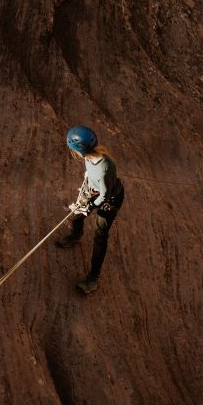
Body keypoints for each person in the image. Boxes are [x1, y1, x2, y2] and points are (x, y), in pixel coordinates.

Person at [55, 125, 125, 294]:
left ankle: (93, 278)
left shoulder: (104, 169)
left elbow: (105, 196)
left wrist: (89, 207)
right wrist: (86, 183)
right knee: (76, 215)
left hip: (109, 200)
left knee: (100, 236)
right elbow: (91, 173)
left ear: (79, 149)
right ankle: (76, 235)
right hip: (93, 192)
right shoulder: (90, 155)